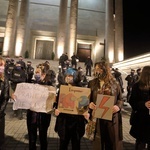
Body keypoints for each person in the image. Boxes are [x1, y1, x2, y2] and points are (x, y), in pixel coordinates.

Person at [88, 61, 123, 150]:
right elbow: (87, 99)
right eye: (96, 69)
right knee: (98, 143)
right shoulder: (92, 83)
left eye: (99, 69)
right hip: (97, 118)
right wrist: (89, 104)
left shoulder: (115, 83)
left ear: (105, 70)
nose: (97, 71)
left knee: (111, 143)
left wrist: (118, 106)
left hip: (112, 118)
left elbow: (121, 99)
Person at [54, 67, 89, 150]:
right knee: (63, 145)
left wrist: (86, 113)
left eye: (70, 76)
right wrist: (56, 110)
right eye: (67, 76)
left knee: (76, 145)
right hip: (64, 121)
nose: (68, 78)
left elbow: (84, 105)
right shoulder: (62, 89)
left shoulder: (82, 90)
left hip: (77, 122)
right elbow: (57, 103)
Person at [26, 64, 56, 150]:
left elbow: (52, 101)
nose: (36, 74)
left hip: (43, 117)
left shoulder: (49, 86)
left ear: (44, 74)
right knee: (32, 139)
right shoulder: (31, 84)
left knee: (43, 139)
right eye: (35, 72)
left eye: (38, 72)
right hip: (32, 115)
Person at [129, 66, 150, 150]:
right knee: (141, 142)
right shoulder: (137, 86)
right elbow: (132, 101)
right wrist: (143, 104)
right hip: (141, 119)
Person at [0, 57, 9, 150]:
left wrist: (0, 111)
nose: (2, 67)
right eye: (0, 65)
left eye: (3, 65)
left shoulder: (5, 79)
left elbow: (5, 98)